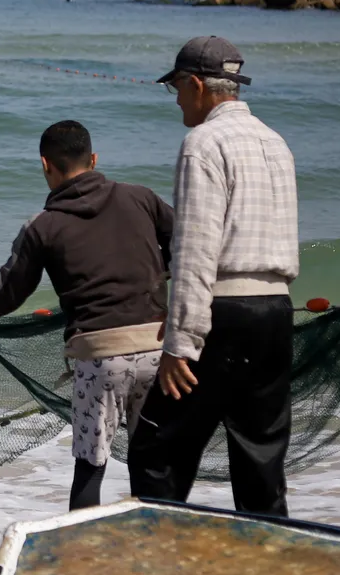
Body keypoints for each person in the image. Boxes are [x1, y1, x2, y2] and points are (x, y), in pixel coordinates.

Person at [0, 120, 174, 510]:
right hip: (161, 350)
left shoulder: (43, 227)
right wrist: (158, 271)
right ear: (94, 159)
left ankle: (79, 561)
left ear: (45, 165)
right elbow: (188, 243)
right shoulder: (143, 198)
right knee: (152, 463)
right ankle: (156, 552)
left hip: (100, 357)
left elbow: (10, 292)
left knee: (90, 467)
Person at [128, 37, 298, 516]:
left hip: (223, 315)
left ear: (196, 84)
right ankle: (266, 568)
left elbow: (197, 249)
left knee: (156, 452)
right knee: (260, 457)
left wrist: (181, 341)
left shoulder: (202, 143)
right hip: (276, 310)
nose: (178, 99)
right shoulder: (275, 140)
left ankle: (163, 564)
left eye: (178, 88)